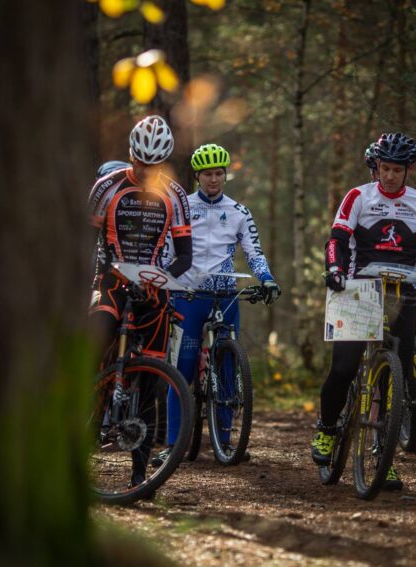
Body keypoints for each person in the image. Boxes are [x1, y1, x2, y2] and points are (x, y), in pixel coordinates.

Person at [310, 133, 416, 491]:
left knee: (394, 380)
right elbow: (336, 241)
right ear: (376, 166)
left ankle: (384, 455)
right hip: (358, 290)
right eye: (385, 168)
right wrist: (335, 269)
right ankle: (326, 429)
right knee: (343, 368)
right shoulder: (358, 196)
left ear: (408, 169)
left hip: (404, 292)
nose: (390, 176)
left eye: (397, 170)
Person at [152, 143, 281, 466]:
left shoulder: (239, 212)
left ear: (226, 175)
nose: (214, 179)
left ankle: (225, 441)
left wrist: (266, 278)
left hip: (226, 296)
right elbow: (167, 251)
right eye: (208, 174)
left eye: (219, 173)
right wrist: (164, 283)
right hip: (188, 296)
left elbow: (254, 251)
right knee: (181, 370)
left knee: (226, 368)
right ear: (197, 176)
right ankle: (173, 444)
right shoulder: (181, 208)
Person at [88, 115, 192, 489]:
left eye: (155, 164)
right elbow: (85, 240)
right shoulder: (107, 186)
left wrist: (157, 279)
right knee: (95, 339)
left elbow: (185, 256)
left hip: (152, 287)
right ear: (132, 155)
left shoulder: (175, 194)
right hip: (112, 282)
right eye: (141, 163)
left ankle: (140, 473)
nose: (147, 171)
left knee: (151, 381)